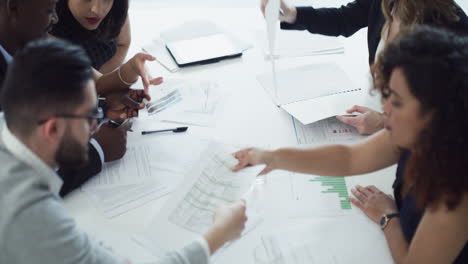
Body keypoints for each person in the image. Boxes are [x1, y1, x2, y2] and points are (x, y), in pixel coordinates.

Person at [0, 38, 248, 264]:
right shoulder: (31, 219)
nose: (97, 124)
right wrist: (217, 236)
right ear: (52, 129)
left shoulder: (10, 122)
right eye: (90, 116)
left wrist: (104, 106)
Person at [232, 26, 468, 263]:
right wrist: (274, 158)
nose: (384, 109)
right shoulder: (420, 135)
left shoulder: (456, 192)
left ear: (435, 114)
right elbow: (348, 158)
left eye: (396, 103)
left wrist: (389, 218)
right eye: (387, 95)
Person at [0, 0, 159, 195]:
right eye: (49, 9)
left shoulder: (24, 45)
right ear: (13, 6)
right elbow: (15, 185)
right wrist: (96, 151)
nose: (55, 19)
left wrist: (102, 105)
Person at [261, 0, 468, 135]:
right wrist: (291, 14)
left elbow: (452, 113)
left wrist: (385, 122)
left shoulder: (453, 27)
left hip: (411, 134)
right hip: (375, 105)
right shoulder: (388, 2)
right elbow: (344, 19)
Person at [51, 0, 130, 73]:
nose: (97, 11)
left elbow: (123, 44)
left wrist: (103, 79)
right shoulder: (45, 22)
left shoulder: (117, 6)